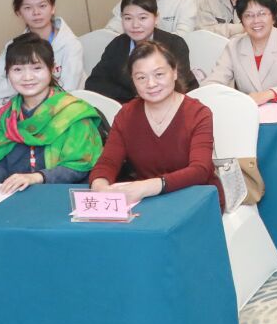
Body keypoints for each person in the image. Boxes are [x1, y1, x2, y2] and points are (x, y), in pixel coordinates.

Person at [0, 34, 104, 195]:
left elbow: (81, 166)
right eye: (17, 70)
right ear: (7, 73)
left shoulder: (72, 113)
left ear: (52, 69)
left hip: (65, 195)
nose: (27, 77)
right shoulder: (6, 117)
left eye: (37, 68)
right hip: (18, 195)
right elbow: (1, 164)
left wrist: (37, 177)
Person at [88, 41, 218, 208]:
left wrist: (147, 187)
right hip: (149, 201)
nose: (151, 84)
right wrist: (100, 186)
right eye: (141, 77)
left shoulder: (198, 113)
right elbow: (108, 162)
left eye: (159, 74)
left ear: (174, 72)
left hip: (196, 199)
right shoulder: (127, 115)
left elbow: (200, 170)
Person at [201, 0, 277, 107]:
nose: (256, 21)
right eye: (248, 15)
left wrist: (268, 94)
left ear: (273, 18)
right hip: (248, 111)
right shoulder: (234, 46)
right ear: (242, 22)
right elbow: (213, 82)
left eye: (262, 14)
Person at [0, 0, 84, 99]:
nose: (36, 12)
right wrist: (22, 82)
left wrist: (26, 82)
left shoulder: (70, 44)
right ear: (19, 13)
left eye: (42, 6)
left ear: (53, 8)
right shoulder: (14, 47)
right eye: (28, 8)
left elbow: (68, 91)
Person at [86, 0, 197, 101]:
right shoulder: (117, 45)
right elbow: (94, 83)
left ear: (156, 18)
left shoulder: (174, 44)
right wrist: (132, 98)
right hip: (128, 107)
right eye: (128, 18)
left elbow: (178, 86)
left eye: (143, 18)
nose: (135, 25)